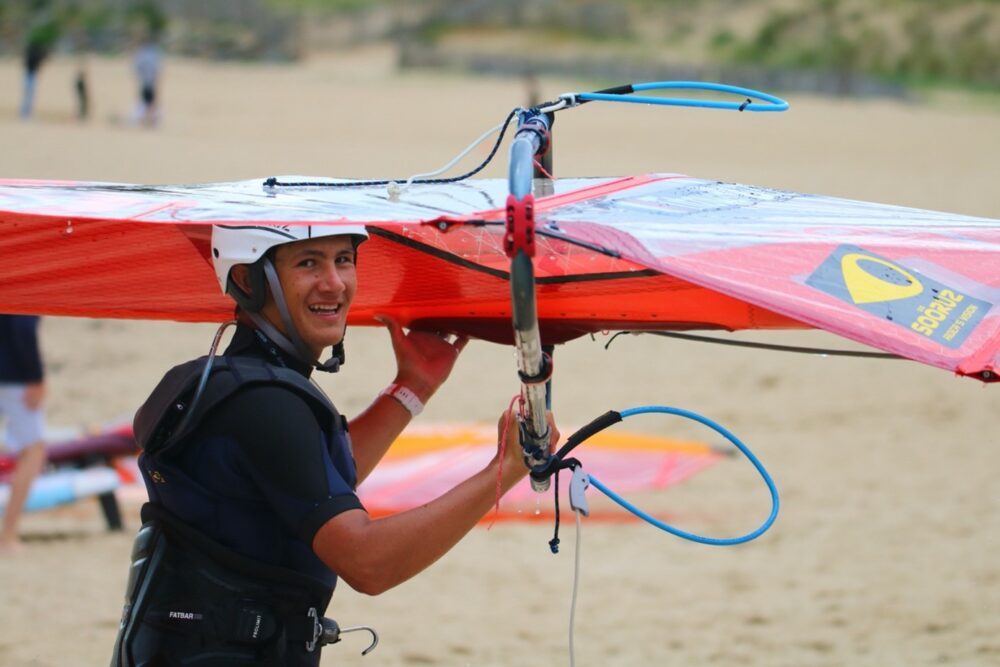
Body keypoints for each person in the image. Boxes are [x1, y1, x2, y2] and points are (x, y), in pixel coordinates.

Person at [111, 224, 558, 666]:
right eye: (309, 263)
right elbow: (368, 564)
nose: (334, 283)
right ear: (247, 280)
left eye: (343, 260)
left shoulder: (208, 382)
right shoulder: (265, 405)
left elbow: (310, 483)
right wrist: (503, 469)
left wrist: (412, 388)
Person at [0, 315, 48, 553]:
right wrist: (35, 376)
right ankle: (8, 536)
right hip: (13, 375)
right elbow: (23, 326)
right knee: (33, 451)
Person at [132, 34, 162, 127]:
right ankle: (151, 121)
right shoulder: (154, 55)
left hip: (145, 81)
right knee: (151, 102)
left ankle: (145, 121)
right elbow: (157, 69)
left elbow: (136, 68)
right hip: (151, 81)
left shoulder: (140, 55)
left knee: (145, 102)